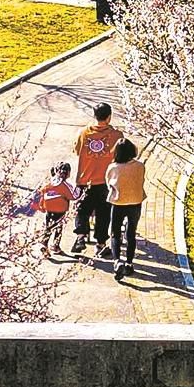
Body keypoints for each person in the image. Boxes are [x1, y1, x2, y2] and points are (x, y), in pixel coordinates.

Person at [71, 103, 122, 256]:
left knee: (82, 210)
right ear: (109, 117)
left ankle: (80, 237)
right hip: (105, 181)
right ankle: (100, 244)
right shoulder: (116, 136)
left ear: (94, 116)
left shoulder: (84, 133)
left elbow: (76, 150)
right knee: (103, 213)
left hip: (84, 180)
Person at [106, 138, 147, 281]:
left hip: (118, 202)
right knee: (131, 233)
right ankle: (129, 263)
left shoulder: (113, 167)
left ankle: (117, 261)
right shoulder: (140, 166)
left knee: (115, 233)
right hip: (135, 202)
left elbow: (109, 184)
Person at [30, 162, 75, 257]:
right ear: (68, 173)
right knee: (58, 228)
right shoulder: (65, 185)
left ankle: (44, 243)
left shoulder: (48, 183)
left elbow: (41, 193)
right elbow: (73, 196)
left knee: (48, 227)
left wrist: (41, 206)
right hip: (61, 211)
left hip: (49, 210)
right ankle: (55, 245)